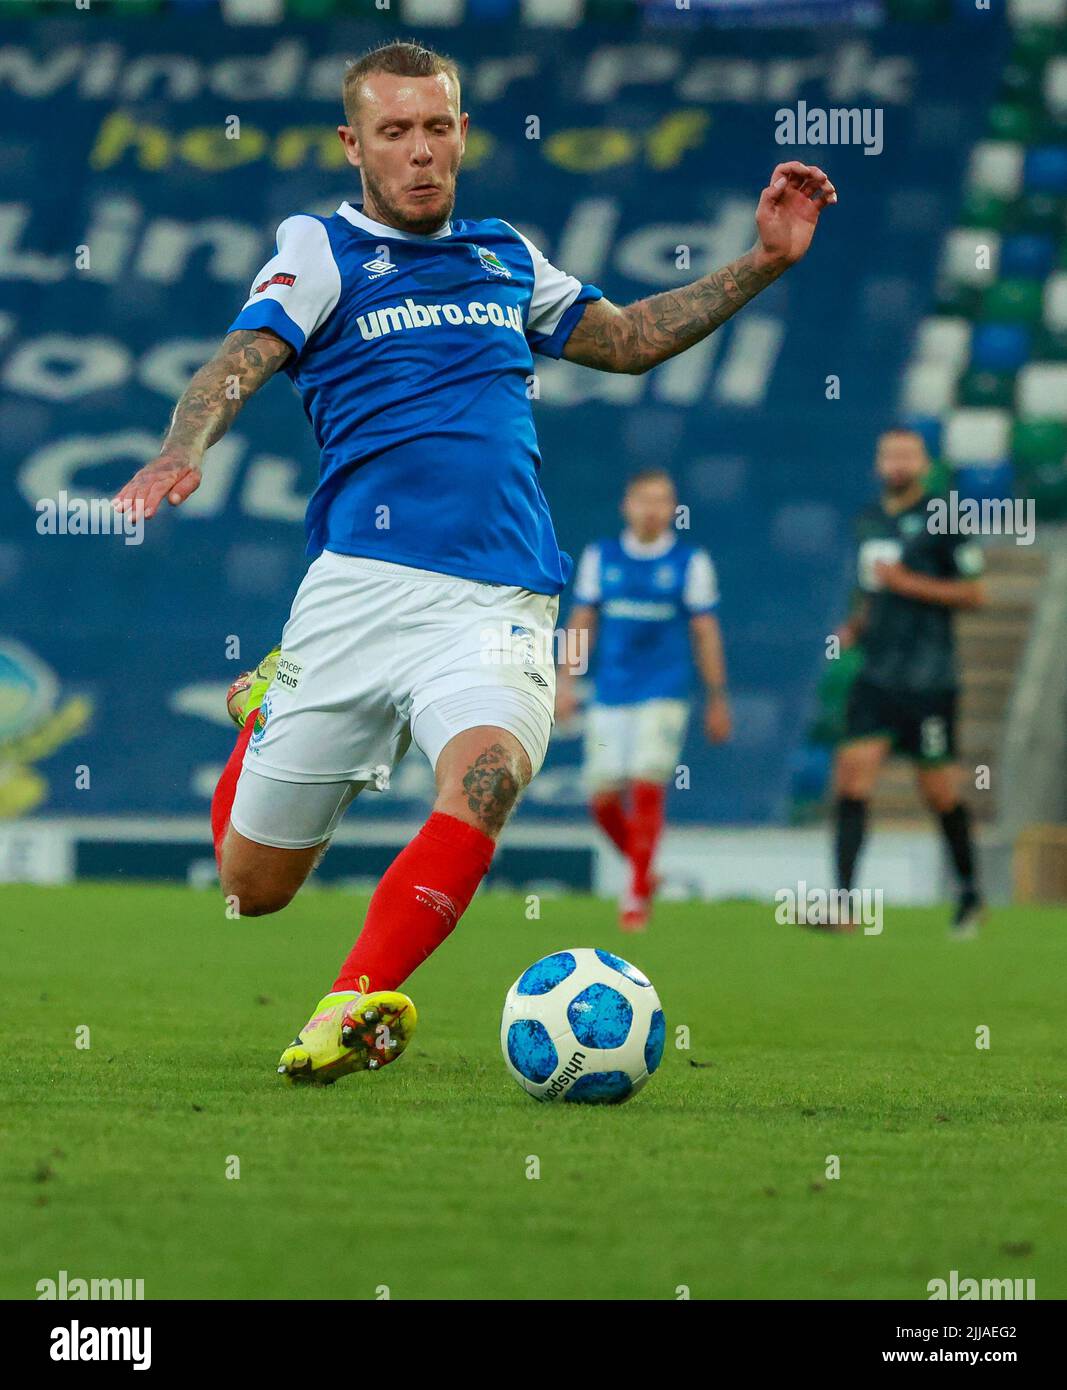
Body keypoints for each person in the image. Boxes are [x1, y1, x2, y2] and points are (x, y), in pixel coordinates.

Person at [111, 40, 836, 1084]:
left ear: (461, 133)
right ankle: (266, 712)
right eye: (394, 132)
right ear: (351, 144)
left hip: (498, 594)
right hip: (357, 591)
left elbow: (627, 338)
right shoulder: (319, 247)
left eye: (437, 128)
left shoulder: (503, 254)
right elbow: (240, 361)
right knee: (251, 886)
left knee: (489, 772)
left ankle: (350, 1004)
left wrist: (761, 261)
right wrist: (184, 448)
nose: (419, 152)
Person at [556, 470, 730, 929]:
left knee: (647, 784)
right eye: (644, 500)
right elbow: (582, 620)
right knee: (603, 797)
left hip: (664, 691)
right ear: (626, 506)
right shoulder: (602, 557)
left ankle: (634, 897)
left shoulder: (690, 562)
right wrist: (565, 680)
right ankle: (644, 872)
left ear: (673, 508)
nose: (653, 509)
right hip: (611, 693)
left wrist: (717, 696)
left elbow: (705, 630)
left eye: (662, 501)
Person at [832, 428, 986, 937]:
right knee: (853, 779)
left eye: (907, 454)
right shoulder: (869, 519)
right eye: (889, 453)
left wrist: (907, 584)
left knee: (939, 792)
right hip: (876, 675)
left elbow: (974, 593)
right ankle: (844, 903)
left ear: (923, 463)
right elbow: (870, 591)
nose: (897, 462)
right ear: (879, 463)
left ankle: (969, 893)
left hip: (929, 678)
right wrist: (856, 626)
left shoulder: (947, 517)